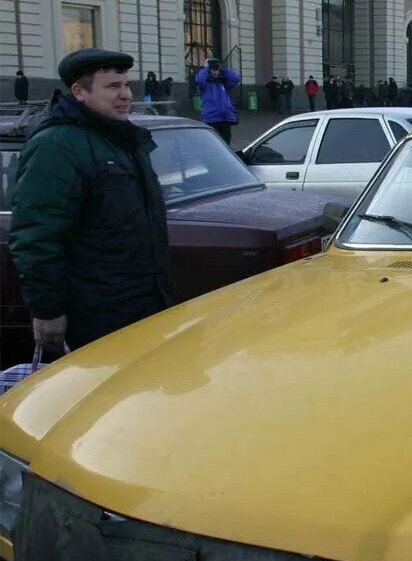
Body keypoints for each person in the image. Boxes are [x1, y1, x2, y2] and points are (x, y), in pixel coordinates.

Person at [9, 48, 173, 353]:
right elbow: (37, 235)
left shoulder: (124, 139)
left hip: (143, 302)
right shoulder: (57, 145)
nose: (125, 95)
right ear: (79, 92)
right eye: (112, 87)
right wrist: (48, 310)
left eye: (126, 85)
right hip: (96, 314)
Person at [194, 58, 239, 145]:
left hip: (225, 118)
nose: (215, 72)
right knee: (212, 144)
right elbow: (200, 80)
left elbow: (236, 78)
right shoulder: (204, 85)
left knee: (226, 145)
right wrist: (206, 68)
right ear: (209, 70)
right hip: (211, 119)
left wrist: (223, 69)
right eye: (213, 69)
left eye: (217, 69)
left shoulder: (224, 83)